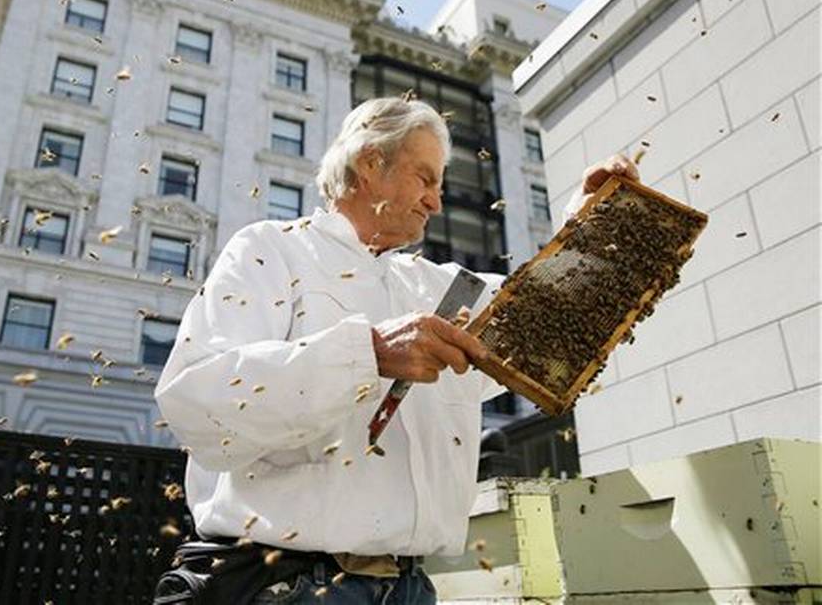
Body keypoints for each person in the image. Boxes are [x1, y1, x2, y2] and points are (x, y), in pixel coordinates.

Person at [154, 97, 639, 604]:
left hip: (410, 587)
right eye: (425, 179)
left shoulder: (440, 288)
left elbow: (548, 326)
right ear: (369, 164)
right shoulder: (270, 251)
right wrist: (369, 354)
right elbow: (198, 407)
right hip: (288, 585)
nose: (437, 202)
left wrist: (595, 229)